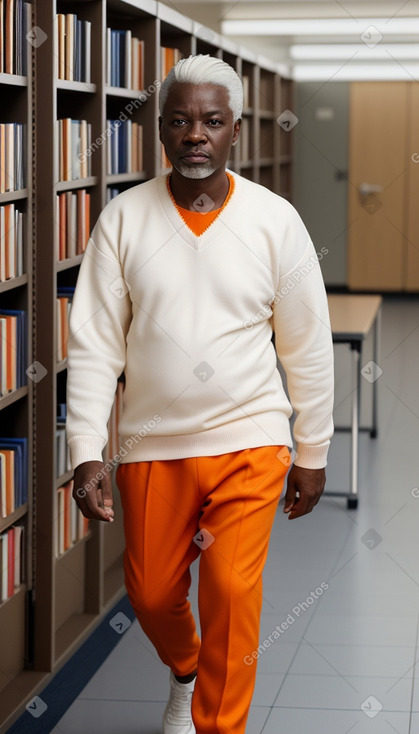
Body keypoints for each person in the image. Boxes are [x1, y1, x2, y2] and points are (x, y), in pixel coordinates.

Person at [66, 54, 334, 734]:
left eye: (211, 122)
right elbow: (96, 345)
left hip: (250, 441)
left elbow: (305, 344)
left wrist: (312, 449)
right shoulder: (123, 221)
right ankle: (185, 669)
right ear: (160, 131)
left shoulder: (275, 222)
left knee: (232, 594)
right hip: (152, 443)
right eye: (180, 121)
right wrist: (86, 453)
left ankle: (219, 724)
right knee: (151, 594)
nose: (195, 135)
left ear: (234, 131)